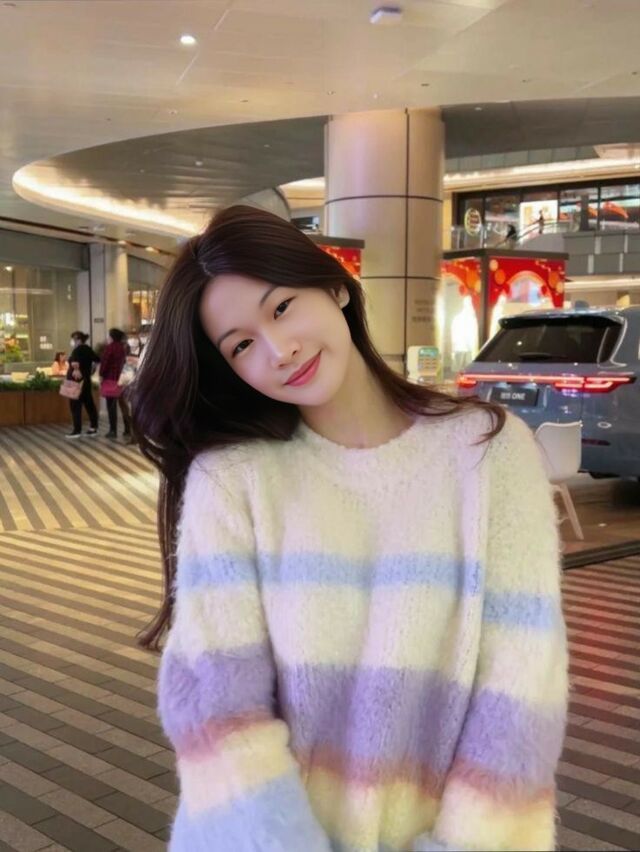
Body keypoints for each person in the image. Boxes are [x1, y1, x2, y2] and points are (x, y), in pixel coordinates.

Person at [132, 206, 568, 852]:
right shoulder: (233, 479)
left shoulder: (488, 455)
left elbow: (522, 690)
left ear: (334, 286)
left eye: (282, 308)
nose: (280, 350)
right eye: (242, 345)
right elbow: (218, 709)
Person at [99, 327, 133, 440]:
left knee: (111, 406)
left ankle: (113, 430)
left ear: (112, 337)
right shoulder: (124, 348)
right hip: (123, 379)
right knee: (123, 405)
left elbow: (105, 363)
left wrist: (101, 374)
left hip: (111, 379)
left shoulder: (110, 347)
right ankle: (128, 429)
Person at [66, 331, 100, 438]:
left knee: (75, 405)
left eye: (73, 339)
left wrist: (76, 370)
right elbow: (97, 359)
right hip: (86, 381)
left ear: (78, 339)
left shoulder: (77, 350)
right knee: (89, 404)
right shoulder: (88, 349)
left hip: (75, 381)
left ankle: (77, 430)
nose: (72, 341)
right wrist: (92, 370)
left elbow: (75, 363)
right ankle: (93, 427)